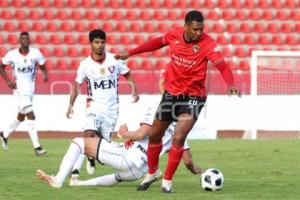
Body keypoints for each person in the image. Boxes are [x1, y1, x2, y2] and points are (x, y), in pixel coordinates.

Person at [115, 10, 240, 193]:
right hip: (172, 93)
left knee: (179, 137)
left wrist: (230, 83)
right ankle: (152, 173)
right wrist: (132, 52)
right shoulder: (174, 34)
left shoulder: (208, 43)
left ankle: (167, 180)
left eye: (201, 29)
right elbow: (157, 42)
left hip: (194, 97)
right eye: (196, 29)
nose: (199, 33)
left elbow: (222, 66)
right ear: (186, 26)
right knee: (155, 134)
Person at [36, 106, 202, 188]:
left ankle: (58, 180)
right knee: (116, 178)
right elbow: (187, 160)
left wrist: (124, 132)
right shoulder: (181, 129)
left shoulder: (158, 111)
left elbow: (142, 134)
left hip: (129, 157)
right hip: (140, 172)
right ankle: (79, 183)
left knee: (78, 142)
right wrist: (197, 170)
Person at [65, 29, 139, 178]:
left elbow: (128, 75)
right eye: (96, 42)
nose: (99, 45)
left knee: (101, 146)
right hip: (94, 106)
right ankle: (75, 172)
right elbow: (76, 85)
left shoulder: (115, 60)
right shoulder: (85, 65)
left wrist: (134, 90)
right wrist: (71, 105)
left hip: (112, 110)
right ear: (91, 43)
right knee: (88, 134)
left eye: (102, 42)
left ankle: (92, 158)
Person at [0, 32, 48, 156]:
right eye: (23, 38)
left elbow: (42, 65)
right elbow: (1, 66)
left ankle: (4, 134)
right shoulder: (12, 54)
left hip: (30, 90)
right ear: (20, 41)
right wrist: (8, 81)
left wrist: (45, 74)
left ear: (29, 40)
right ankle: (37, 147)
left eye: (27, 38)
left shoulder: (35, 53)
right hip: (18, 89)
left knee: (21, 116)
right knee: (31, 116)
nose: (25, 40)